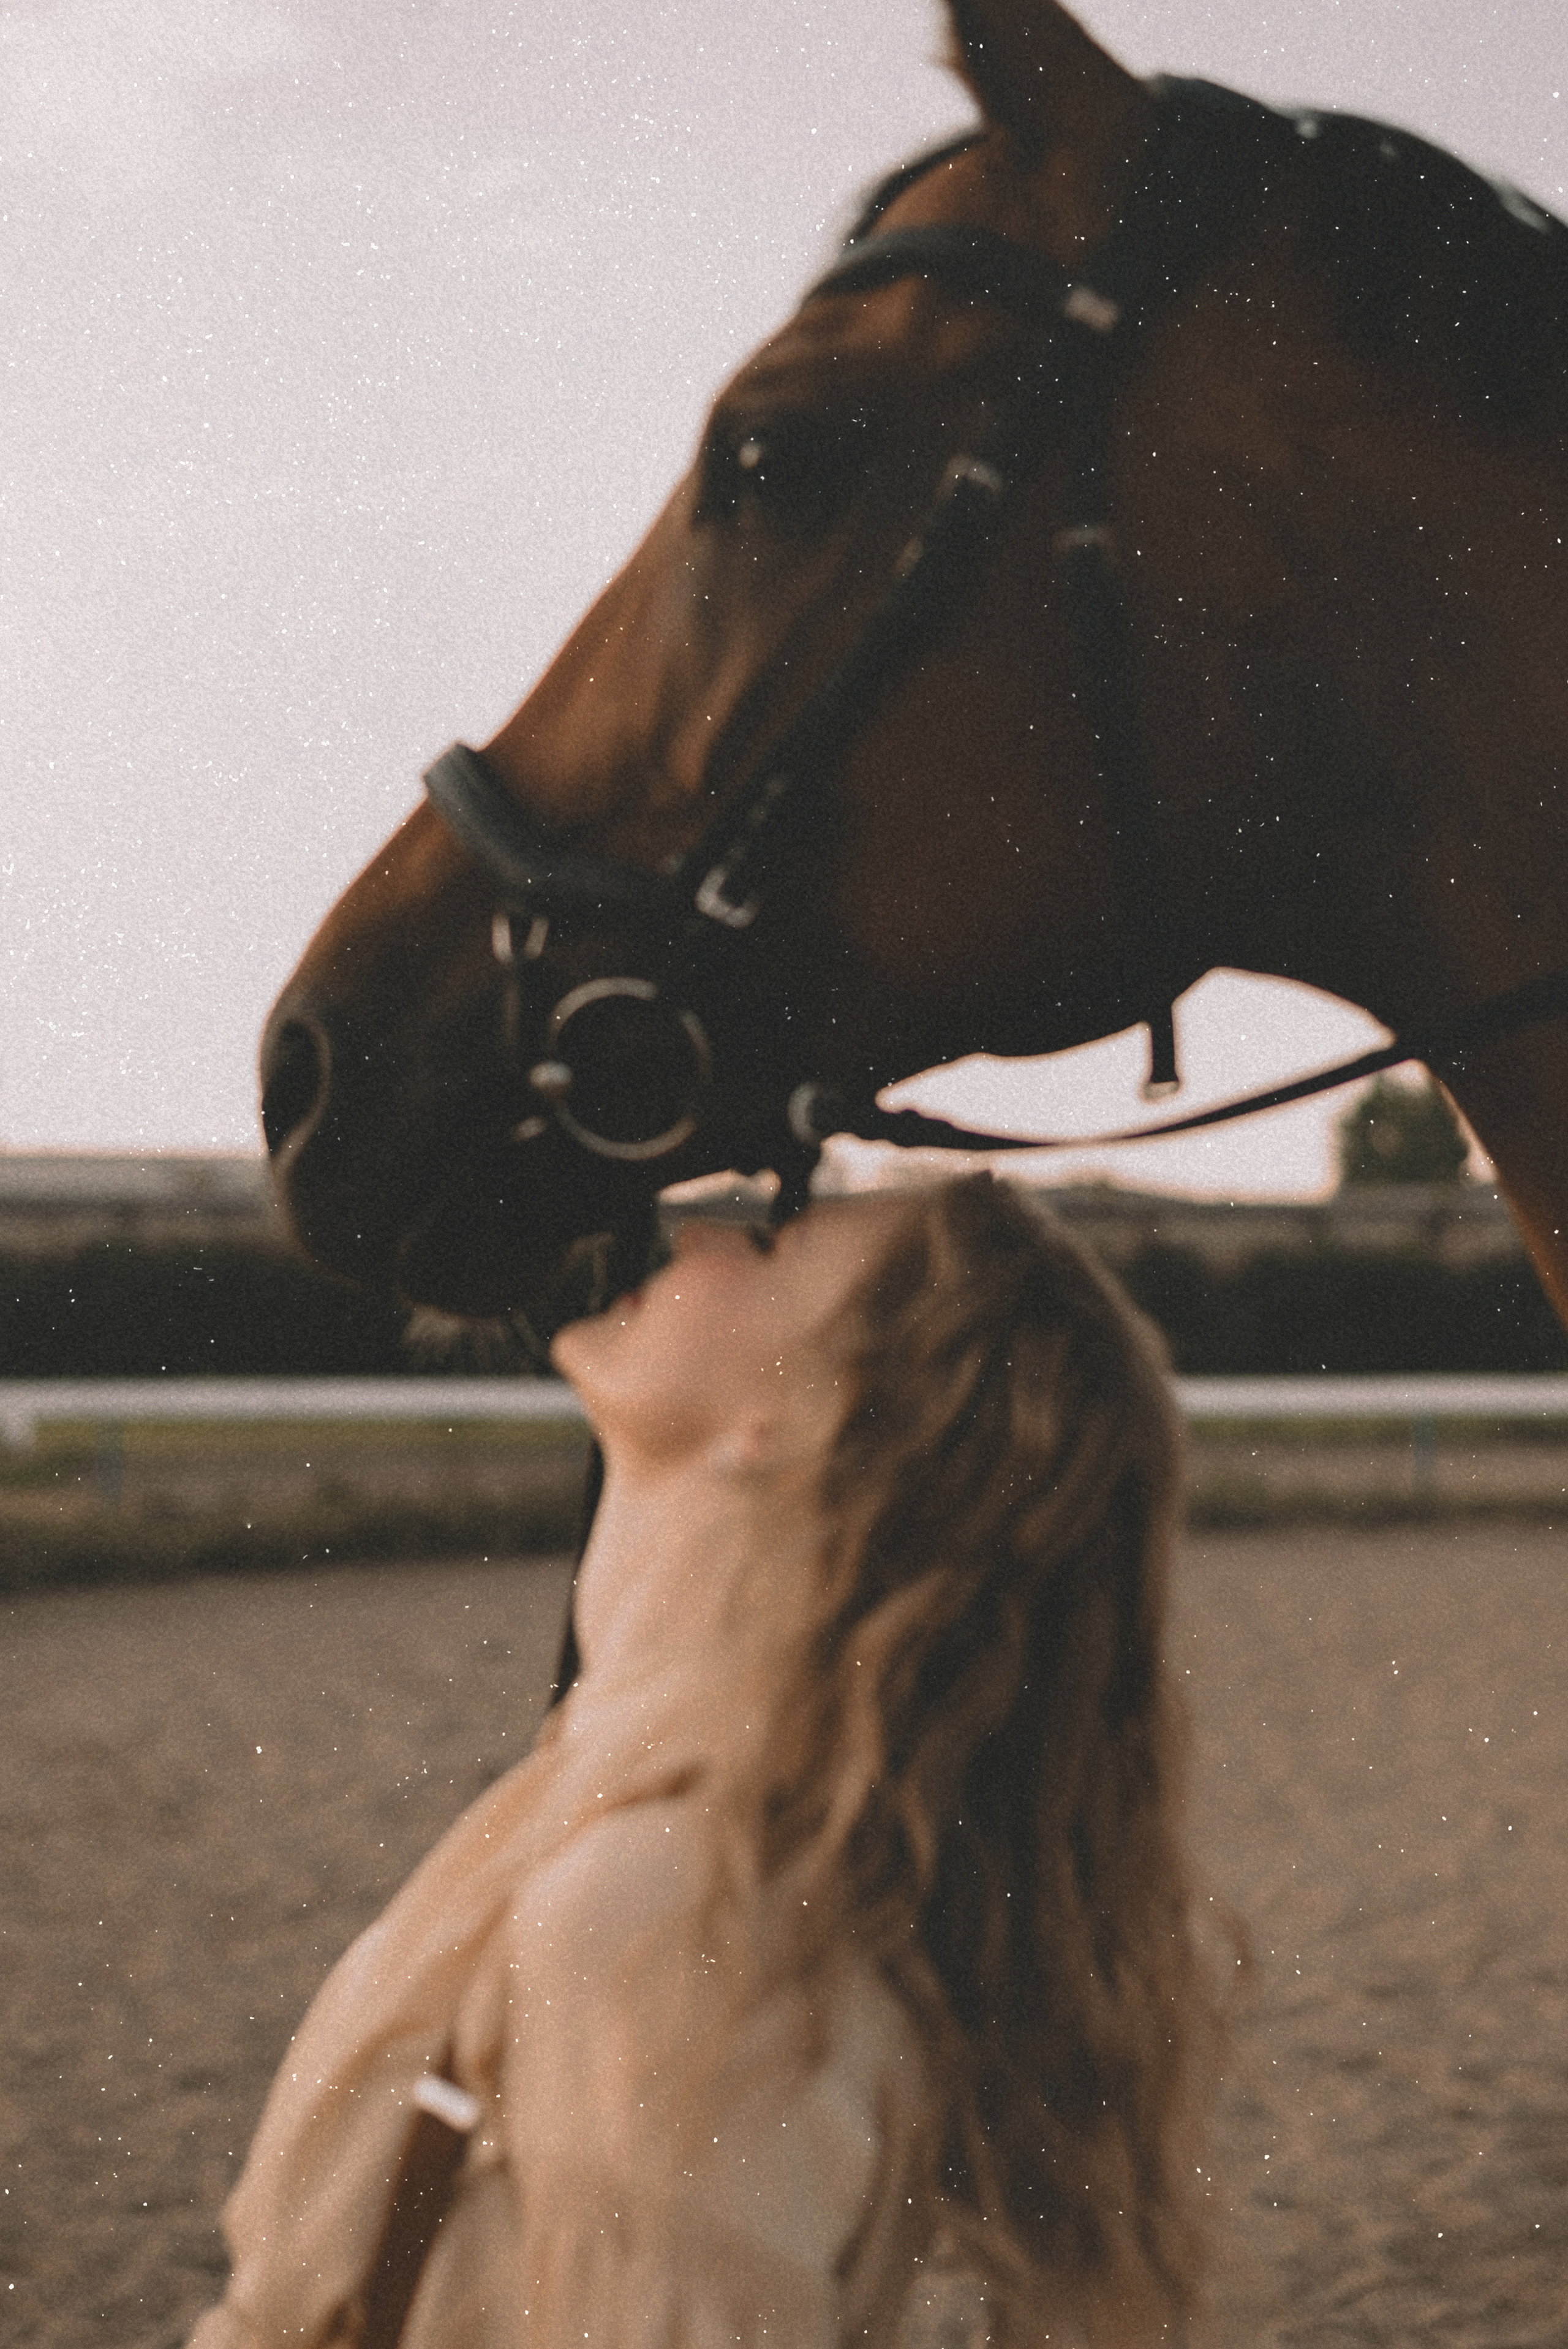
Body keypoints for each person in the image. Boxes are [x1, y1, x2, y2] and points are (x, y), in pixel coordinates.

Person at [187, 1173, 1218, 2349]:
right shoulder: (662, 1828)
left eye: (773, 1243)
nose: (706, 1231)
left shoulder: (673, 1912)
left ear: (818, 1423)